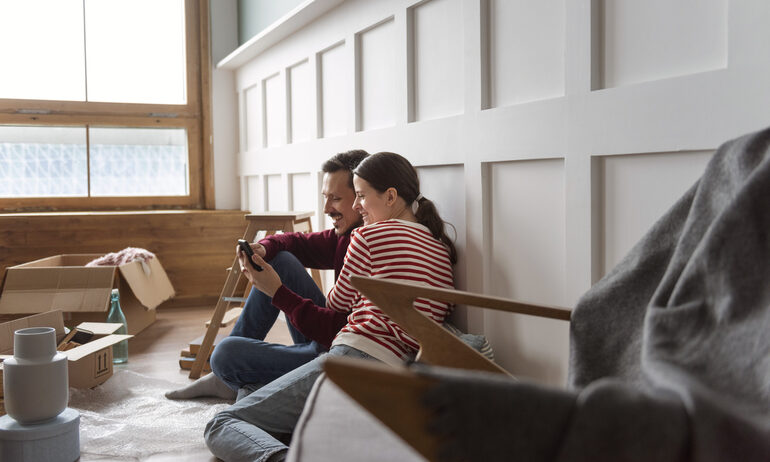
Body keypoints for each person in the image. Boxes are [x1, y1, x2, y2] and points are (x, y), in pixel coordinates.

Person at [204, 152, 458, 461]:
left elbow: (337, 305)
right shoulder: (441, 249)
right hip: (399, 375)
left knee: (222, 423)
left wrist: (276, 291)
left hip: (353, 360)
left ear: (390, 196)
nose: (355, 206)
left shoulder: (367, 236)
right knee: (256, 403)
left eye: (360, 196)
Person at [166, 150, 369, 400]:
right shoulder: (347, 236)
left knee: (225, 354)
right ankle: (231, 380)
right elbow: (297, 242)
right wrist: (264, 246)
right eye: (325, 197)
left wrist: (278, 293)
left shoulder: (370, 247)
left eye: (336, 198)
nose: (326, 208)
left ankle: (240, 380)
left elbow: (342, 333)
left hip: (338, 355)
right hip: (328, 337)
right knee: (280, 258)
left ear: (362, 197)